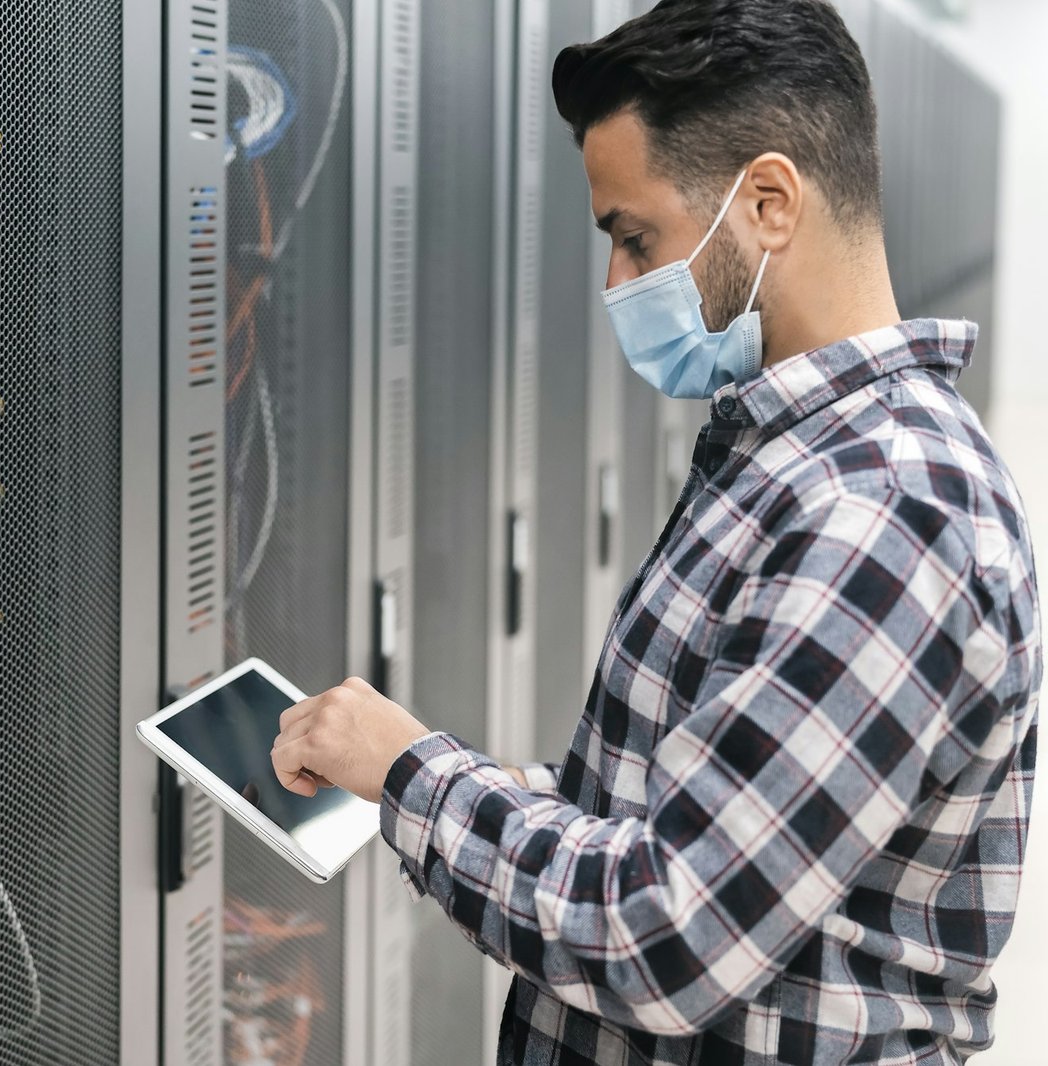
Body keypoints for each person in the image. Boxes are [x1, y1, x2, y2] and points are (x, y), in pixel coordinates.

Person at [269, 1, 1042, 1062]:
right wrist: (407, 768)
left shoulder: (882, 511)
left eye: (636, 238)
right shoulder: (790, 457)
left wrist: (413, 774)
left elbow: (666, 933)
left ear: (767, 200)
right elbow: (664, 806)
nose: (616, 283)